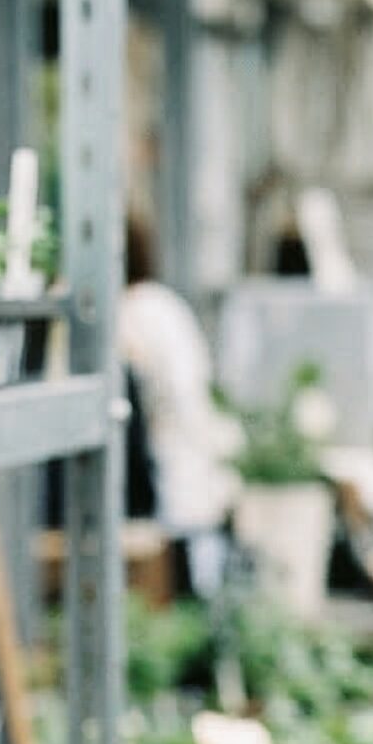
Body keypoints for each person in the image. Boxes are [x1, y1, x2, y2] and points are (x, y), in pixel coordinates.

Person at [118, 219, 242, 596]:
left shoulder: (141, 310)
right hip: (183, 461)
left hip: (175, 461)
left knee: (183, 570)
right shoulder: (158, 304)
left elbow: (182, 393)